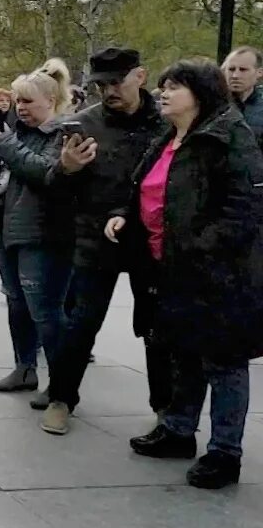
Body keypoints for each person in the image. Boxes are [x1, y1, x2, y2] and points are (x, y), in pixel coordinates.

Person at [109, 58, 263, 489]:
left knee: (224, 361)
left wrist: (199, 246)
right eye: (162, 86)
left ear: (200, 93)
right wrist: (125, 215)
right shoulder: (169, 137)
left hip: (219, 274)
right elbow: (145, 187)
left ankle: (225, 452)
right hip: (170, 268)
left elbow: (244, 209)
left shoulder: (229, 137)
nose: (163, 93)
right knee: (183, 352)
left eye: (174, 87)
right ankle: (179, 430)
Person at [39, 48, 168, 436]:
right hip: (97, 239)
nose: (109, 91)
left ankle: (166, 407)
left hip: (151, 241)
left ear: (140, 77)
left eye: (116, 82)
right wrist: (66, 169)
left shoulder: (167, 124)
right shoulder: (82, 124)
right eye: (102, 84)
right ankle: (61, 398)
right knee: (82, 324)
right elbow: (54, 186)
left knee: (156, 327)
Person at [0, 60, 75, 405]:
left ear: (50, 101)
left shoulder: (64, 134)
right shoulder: (18, 135)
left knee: (46, 310)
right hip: (8, 232)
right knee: (16, 303)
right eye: (18, 101)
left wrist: (6, 145)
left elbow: (47, 173)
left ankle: (62, 383)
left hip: (43, 236)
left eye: (28, 101)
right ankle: (25, 367)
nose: (20, 108)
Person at [221, 45, 263, 147]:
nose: (235, 75)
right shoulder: (212, 106)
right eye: (231, 69)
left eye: (243, 70)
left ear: (259, 72)